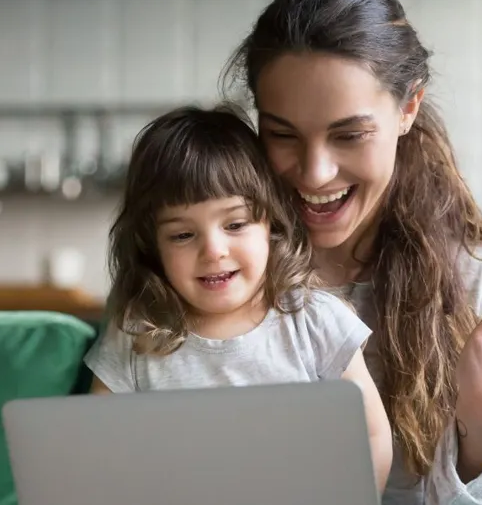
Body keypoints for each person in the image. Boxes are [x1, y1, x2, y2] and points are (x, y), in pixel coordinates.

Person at [220, 0, 482, 503]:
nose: (314, 173)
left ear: (407, 109)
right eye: (283, 134)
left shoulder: (473, 279)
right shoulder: (222, 267)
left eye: (349, 134)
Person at [84, 104, 394, 492]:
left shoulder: (315, 321)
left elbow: (370, 437)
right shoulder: (136, 332)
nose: (213, 251)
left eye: (235, 224)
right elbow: (96, 449)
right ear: (152, 247)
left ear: (270, 224)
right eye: (182, 235)